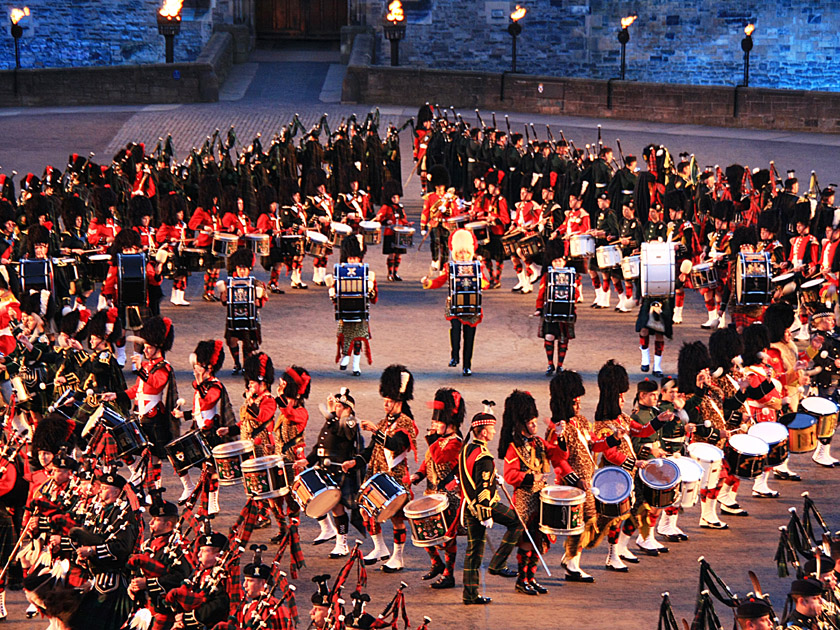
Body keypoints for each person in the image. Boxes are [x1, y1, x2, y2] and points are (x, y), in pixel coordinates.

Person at [499, 390, 577, 595]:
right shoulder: (513, 449)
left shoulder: (540, 443)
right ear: (522, 424)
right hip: (524, 499)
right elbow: (509, 475)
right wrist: (531, 477)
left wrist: (560, 437)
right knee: (526, 542)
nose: (535, 425)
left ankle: (530, 578)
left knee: (539, 540)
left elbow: (559, 455)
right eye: (531, 422)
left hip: (541, 498)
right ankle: (521, 579)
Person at [108, 316, 183, 500]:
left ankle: (154, 490)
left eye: (149, 347)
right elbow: (138, 389)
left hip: (154, 416)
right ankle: (141, 478)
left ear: (159, 347)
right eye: (146, 346)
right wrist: (117, 395)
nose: (146, 350)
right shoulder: (149, 366)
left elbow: (156, 384)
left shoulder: (164, 367)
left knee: (155, 456)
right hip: (141, 413)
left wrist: (141, 368)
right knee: (133, 450)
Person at [56, 470, 140, 630]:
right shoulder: (97, 511)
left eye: (105, 487)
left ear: (116, 492)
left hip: (112, 582)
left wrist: (93, 551)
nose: (100, 490)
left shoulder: (125, 516)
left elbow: (122, 548)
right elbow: (86, 538)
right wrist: (81, 554)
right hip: (95, 578)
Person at [357, 364, 417, 571]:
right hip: (376, 474)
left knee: (396, 518)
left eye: (389, 401)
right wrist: (355, 461)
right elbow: (372, 450)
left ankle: (398, 557)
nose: (385, 404)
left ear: (398, 401)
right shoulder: (384, 422)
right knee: (366, 511)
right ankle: (380, 548)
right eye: (384, 400)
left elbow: (396, 445)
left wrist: (376, 430)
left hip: (395, 476)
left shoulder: (406, 423)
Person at [459, 410, 522, 605]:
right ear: (484, 432)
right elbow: (483, 488)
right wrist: (486, 513)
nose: (494, 432)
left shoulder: (467, 449)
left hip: (468, 506)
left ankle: (470, 595)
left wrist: (494, 478)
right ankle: (498, 563)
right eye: (492, 428)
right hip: (484, 506)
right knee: (517, 523)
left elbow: (470, 475)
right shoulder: (484, 456)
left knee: (474, 551)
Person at [409, 387, 465, 590]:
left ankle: (449, 574)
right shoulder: (438, 440)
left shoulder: (456, 443)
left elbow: (441, 459)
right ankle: (436, 563)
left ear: (450, 424)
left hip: (449, 496)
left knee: (447, 537)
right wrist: (418, 475)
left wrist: (432, 440)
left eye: (438, 422)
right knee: (423, 531)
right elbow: (428, 461)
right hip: (431, 492)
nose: (434, 425)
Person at [299, 387, 365, 559]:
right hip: (324, 468)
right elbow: (321, 445)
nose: (337, 408)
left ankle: (341, 543)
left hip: (339, 471)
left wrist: (330, 414)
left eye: (340, 406)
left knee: (337, 509)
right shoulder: (333, 420)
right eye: (336, 406)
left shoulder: (349, 422)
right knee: (314, 499)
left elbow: (346, 434)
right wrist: (307, 460)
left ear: (348, 408)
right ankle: (327, 529)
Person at [422, 228, 485, 376]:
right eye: (460, 252)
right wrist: (428, 282)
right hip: (455, 304)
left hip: (472, 305)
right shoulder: (449, 267)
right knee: (455, 330)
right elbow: (440, 281)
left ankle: (467, 365)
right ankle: (454, 355)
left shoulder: (477, 267)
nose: (463, 255)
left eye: (465, 252)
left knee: (469, 336)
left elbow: (485, 284)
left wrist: (480, 280)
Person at [327, 235, 378, 376]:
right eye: (350, 259)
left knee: (358, 340)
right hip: (345, 311)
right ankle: (346, 357)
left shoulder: (367, 274)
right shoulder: (340, 273)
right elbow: (336, 294)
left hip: (360, 311)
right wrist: (333, 294)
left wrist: (371, 291)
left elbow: (373, 298)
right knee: (345, 338)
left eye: (355, 258)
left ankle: (356, 365)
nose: (353, 261)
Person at [166, 530, 231, 630]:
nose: (199, 554)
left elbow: (218, 605)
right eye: (200, 550)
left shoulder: (221, 577)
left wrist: (188, 618)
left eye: (205, 551)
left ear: (218, 556)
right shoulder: (199, 574)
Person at [217, 247, 267, 375]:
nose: (242, 271)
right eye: (239, 269)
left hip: (250, 316)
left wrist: (258, 301)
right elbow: (224, 302)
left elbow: (263, 300)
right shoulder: (229, 283)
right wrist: (223, 296)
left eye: (244, 269)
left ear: (249, 269)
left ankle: (247, 365)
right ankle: (236, 363)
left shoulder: (256, 283)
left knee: (248, 343)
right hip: (233, 317)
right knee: (232, 340)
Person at [535, 237, 576, 376]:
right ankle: (550, 364)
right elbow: (541, 293)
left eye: (560, 261)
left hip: (566, 310)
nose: (558, 263)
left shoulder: (572, 275)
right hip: (549, 310)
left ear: (564, 261)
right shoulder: (547, 276)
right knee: (549, 336)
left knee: (563, 339)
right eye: (555, 261)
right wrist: (539, 308)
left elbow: (574, 293)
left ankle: (560, 365)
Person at [374, 179, 411, 281]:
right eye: (394, 197)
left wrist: (407, 223)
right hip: (390, 233)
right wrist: (386, 222)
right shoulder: (386, 207)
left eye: (397, 197)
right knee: (392, 254)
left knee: (399, 254)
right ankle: (389, 273)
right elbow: (379, 218)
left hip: (400, 233)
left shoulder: (400, 207)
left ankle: (396, 272)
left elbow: (403, 218)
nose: (396, 199)